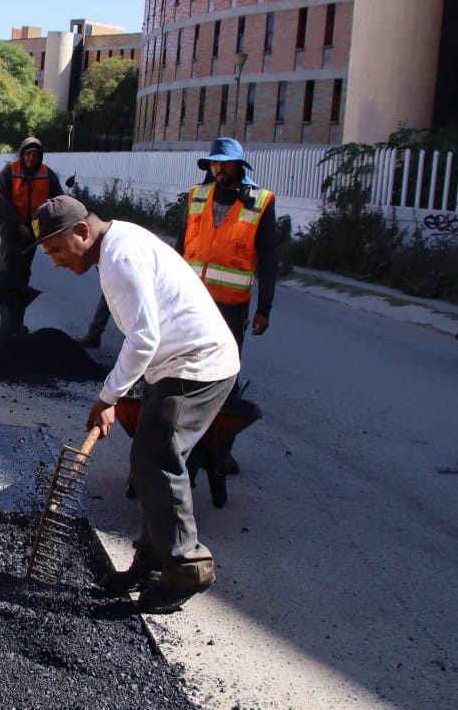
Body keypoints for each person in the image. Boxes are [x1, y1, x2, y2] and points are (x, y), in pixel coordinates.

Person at [32, 195, 240, 615]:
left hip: (198, 363)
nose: (54, 261)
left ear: (82, 231)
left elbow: (142, 338)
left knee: (156, 458)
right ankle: (150, 561)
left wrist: (109, 396)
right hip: (174, 363)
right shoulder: (116, 244)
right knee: (146, 457)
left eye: (56, 249)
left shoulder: (120, 260)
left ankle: (186, 567)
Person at [173, 136, 277, 480]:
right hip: (191, 301)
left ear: (240, 167)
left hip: (231, 307)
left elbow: (269, 259)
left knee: (225, 377)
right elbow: (180, 245)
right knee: (184, 371)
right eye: (214, 163)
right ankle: (182, 442)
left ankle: (220, 449)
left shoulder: (260, 203)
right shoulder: (197, 196)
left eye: (225, 164)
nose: (219, 169)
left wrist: (265, 308)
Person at [0, 136, 64, 333]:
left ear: (40, 156)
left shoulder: (47, 174)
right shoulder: (9, 172)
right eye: (28, 154)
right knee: (8, 267)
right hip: (10, 226)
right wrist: (18, 225)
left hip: (34, 229)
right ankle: (4, 315)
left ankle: (17, 319)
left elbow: (59, 200)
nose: (31, 158)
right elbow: (2, 203)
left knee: (24, 272)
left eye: (35, 155)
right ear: (22, 154)